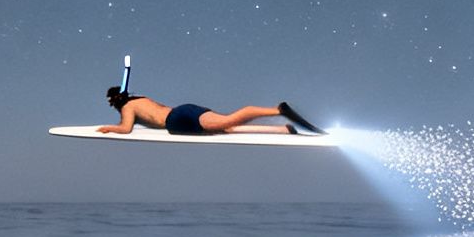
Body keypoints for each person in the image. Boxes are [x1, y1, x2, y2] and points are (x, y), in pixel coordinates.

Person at [98, 86, 324, 136]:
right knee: (228, 128)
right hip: (184, 109)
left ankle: (277, 111)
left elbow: (126, 129)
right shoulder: (140, 98)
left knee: (228, 122)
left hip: (177, 120)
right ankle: (285, 130)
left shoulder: (128, 107)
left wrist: (109, 128)